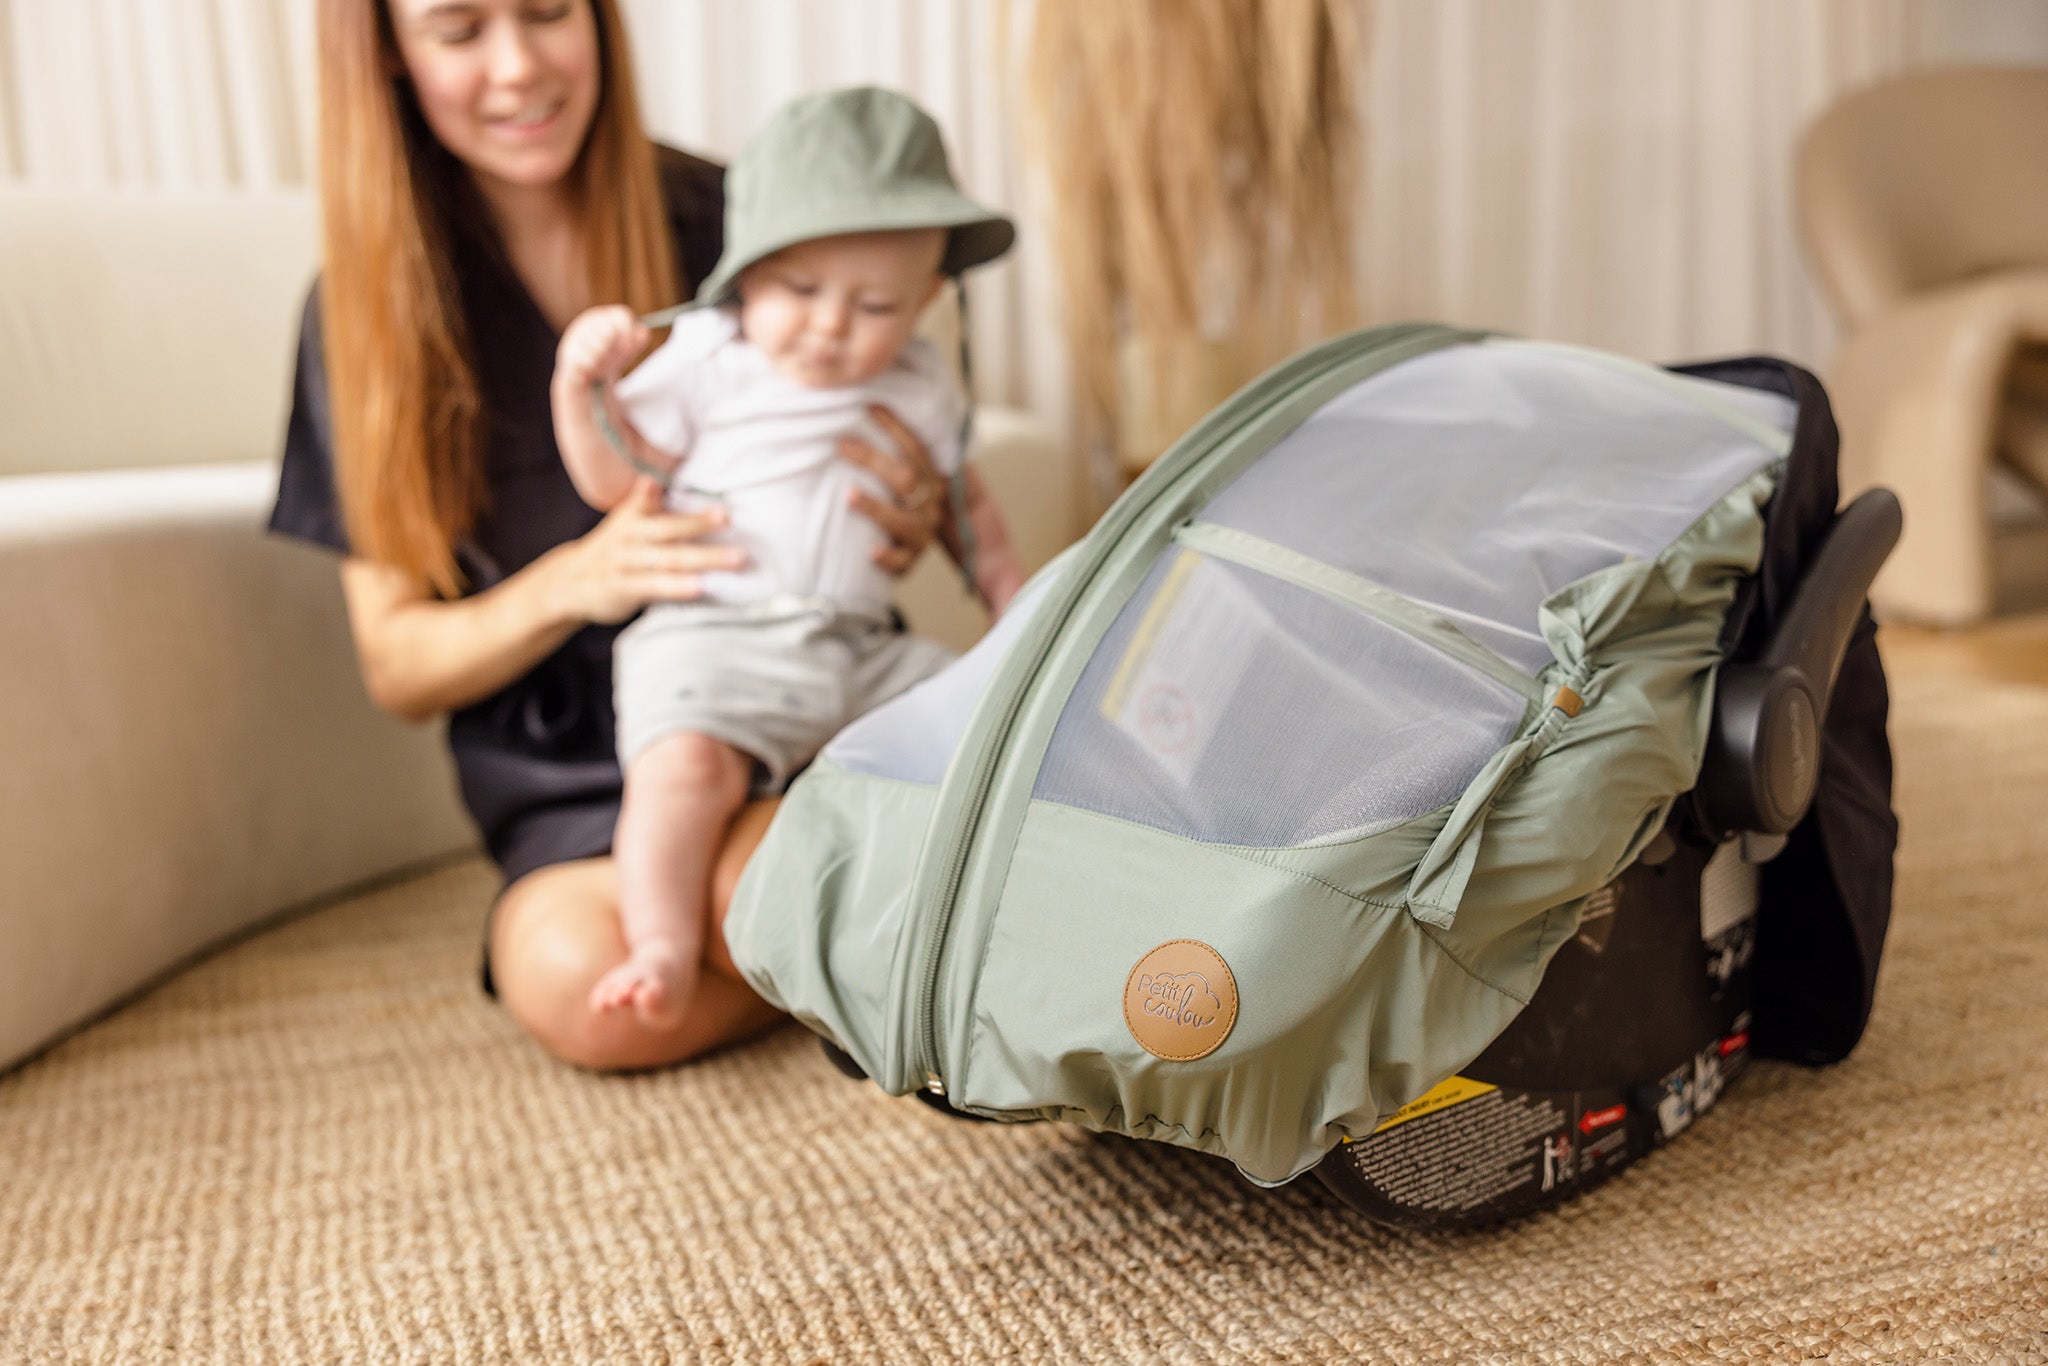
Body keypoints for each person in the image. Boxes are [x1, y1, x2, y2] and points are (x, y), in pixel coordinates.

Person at [268, 0, 959, 1070]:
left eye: (548, 13)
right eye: (458, 32)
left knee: (748, 879)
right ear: (394, 60)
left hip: (779, 696)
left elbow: (898, 352)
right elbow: (397, 663)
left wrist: (908, 505)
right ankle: (831, 956)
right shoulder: (358, 314)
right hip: (569, 778)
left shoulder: (740, 218)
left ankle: (794, 924)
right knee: (579, 991)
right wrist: (570, 581)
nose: (517, 67)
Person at [551, 87, 1024, 1030]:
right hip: (716, 638)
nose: (829, 326)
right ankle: (660, 943)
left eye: (877, 303)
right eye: (800, 291)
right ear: (744, 276)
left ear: (929, 299)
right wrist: (583, 381)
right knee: (679, 770)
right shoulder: (709, 357)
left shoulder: (924, 383)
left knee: (984, 723)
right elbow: (615, 476)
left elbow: (966, 512)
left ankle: (1007, 899)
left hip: (859, 647)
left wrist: (1017, 613)